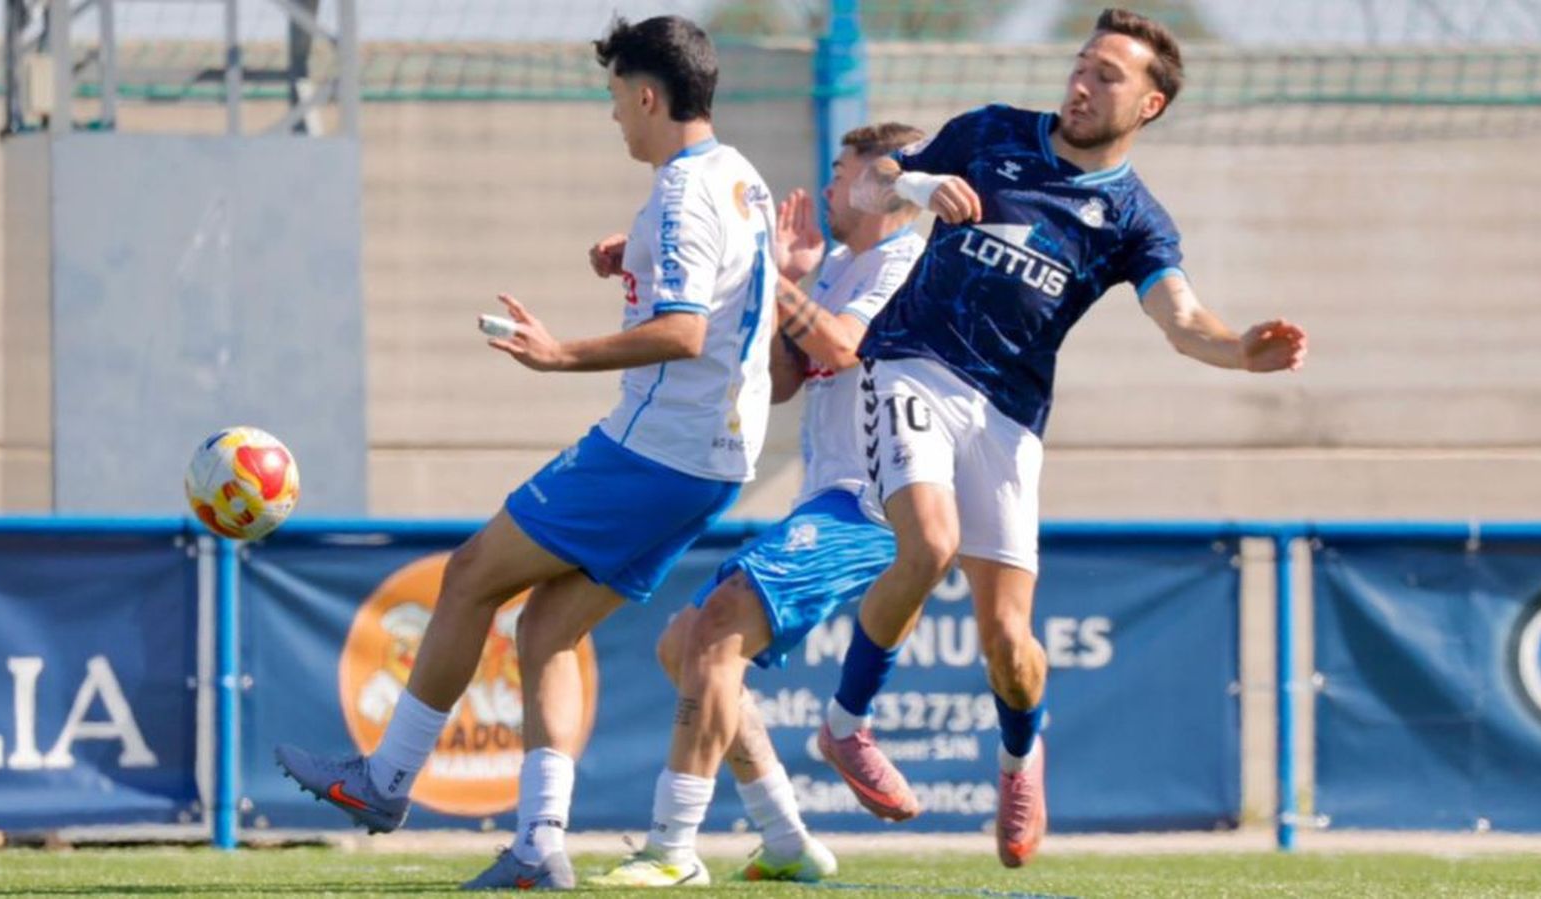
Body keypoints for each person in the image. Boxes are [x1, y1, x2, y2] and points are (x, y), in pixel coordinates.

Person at [274, 15, 778, 891]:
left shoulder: (681, 194)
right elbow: (727, 287)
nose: (615, 115)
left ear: (651, 95)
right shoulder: (738, 177)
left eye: (617, 97)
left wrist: (559, 354)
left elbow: (687, 330)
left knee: (471, 572)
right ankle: (539, 845)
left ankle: (385, 779)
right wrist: (637, 260)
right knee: (544, 627)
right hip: (712, 458)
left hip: (654, 449)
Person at [815, 7, 1310, 869]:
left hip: (1010, 415)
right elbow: (866, 189)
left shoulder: (1136, 219)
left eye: (1109, 75)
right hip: (913, 364)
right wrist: (917, 185)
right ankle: (845, 727)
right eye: (1082, 64)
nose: (1082, 83)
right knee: (927, 545)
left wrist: (1238, 351)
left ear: (1149, 105)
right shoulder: (992, 133)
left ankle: (1020, 756)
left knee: (1010, 645)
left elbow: (1182, 318)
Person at [589, 123, 928, 888]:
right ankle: (785, 837)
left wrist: (762, 275)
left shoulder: (909, 262)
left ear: (887, 183)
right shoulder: (842, 264)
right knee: (685, 645)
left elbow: (842, 347)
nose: (831, 189)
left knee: (711, 633)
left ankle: (672, 847)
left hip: (873, 505)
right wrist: (786, 284)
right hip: (830, 497)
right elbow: (783, 381)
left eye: (842, 176)